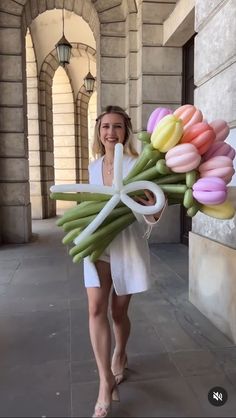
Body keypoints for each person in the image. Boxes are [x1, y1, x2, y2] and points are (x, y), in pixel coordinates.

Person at [84, 105, 166, 418]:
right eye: (105, 126)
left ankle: (121, 351)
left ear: (126, 131)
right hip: (97, 246)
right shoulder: (92, 168)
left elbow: (154, 212)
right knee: (95, 308)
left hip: (126, 245)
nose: (110, 133)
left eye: (117, 127)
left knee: (118, 313)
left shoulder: (136, 165)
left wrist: (154, 209)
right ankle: (105, 382)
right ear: (98, 131)